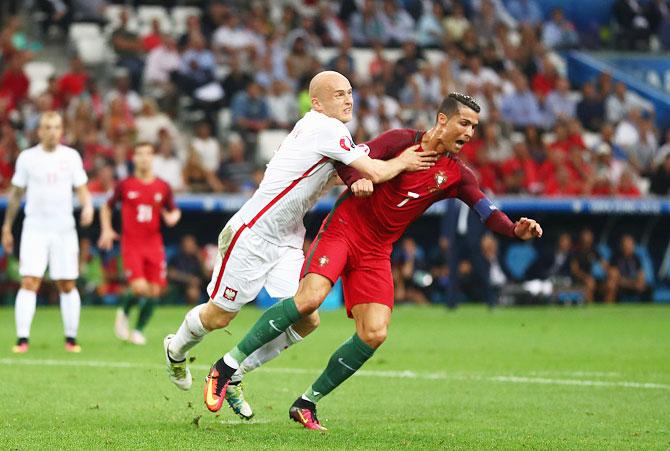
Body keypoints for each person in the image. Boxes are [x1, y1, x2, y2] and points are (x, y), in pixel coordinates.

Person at [205, 93, 543, 429]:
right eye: (464, 123)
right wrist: (359, 180)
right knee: (309, 300)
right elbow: (346, 160)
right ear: (443, 119)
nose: (469, 133)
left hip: (377, 250)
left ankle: (307, 402)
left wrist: (515, 229)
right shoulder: (398, 141)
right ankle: (227, 365)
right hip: (344, 230)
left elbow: (487, 212)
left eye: (474, 127)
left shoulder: (457, 174)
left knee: (374, 332)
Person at [163, 71, 436, 418]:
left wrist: (357, 178)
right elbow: (375, 171)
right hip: (253, 234)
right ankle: (175, 351)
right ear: (317, 103)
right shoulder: (326, 128)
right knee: (219, 316)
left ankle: (234, 374)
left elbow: (336, 174)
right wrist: (405, 161)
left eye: (350, 93)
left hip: (288, 238)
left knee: (307, 317)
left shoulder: (322, 130)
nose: (349, 99)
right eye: (339, 94)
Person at [1, 111, 93, 353]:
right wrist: (7, 227)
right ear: (39, 131)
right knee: (29, 280)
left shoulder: (71, 157)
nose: (52, 132)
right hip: (35, 228)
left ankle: (71, 339)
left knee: (67, 283)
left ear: (61, 130)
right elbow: (16, 194)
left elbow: (81, 187)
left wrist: (88, 206)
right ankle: (22, 339)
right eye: (47, 127)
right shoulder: (27, 158)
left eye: (56, 127)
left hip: (64, 229)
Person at [98, 142, 181, 345]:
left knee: (155, 291)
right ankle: (124, 311)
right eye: (140, 154)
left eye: (148, 154)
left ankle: (138, 331)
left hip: (154, 243)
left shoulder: (163, 186)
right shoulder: (125, 185)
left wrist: (173, 217)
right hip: (132, 244)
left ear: (153, 158)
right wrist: (107, 229)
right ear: (133, 158)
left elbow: (173, 209)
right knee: (139, 288)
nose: (144, 158)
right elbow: (106, 207)